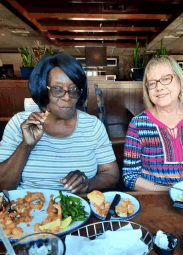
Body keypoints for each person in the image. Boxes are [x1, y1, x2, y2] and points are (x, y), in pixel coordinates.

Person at [0, 53, 119, 193]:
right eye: (57, 89)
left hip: (78, 210)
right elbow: (3, 185)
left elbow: (111, 174)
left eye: (73, 89)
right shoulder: (19, 124)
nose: (67, 97)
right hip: (27, 209)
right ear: (44, 90)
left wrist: (88, 184)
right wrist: (26, 146)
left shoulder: (93, 126)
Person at [123, 56, 183, 191]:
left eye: (166, 79)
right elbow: (130, 176)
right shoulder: (138, 124)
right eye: (152, 83)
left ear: (180, 81)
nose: (159, 87)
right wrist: (172, 193)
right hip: (156, 203)